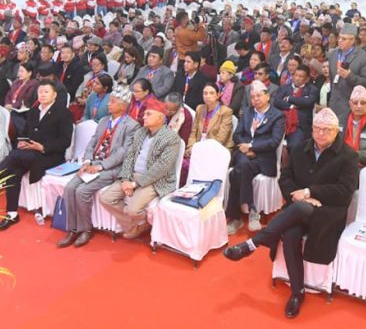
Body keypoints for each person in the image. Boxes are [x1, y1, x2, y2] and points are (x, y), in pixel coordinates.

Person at [223, 108, 360, 318]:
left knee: (301, 208)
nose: (321, 133)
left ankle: (253, 243)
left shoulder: (348, 156)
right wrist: (301, 196)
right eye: (317, 128)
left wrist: (310, 192)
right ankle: (298, 292)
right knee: (290, 234)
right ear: (312, 129)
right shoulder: (298, 149)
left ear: (336, 132)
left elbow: (345, 191)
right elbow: (285, 179)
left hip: (328, 212)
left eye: (327, 130)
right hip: (299, 208)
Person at [57, 85, 139, 248]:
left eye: (113, 101)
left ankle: (85, 229)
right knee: (69, 187)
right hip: (93, 164)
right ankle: (73, 228)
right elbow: (92, 142)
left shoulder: (132, 125)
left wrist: (100, 166)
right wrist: (87, 162)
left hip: (112, 168)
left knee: (82, 191)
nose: (108, 104)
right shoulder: (103, 121)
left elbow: (123, 152)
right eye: (109, 101)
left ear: (123, 106)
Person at [0, 80, 74, 231]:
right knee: (13, 172)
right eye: (40, 92)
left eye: (46, 92)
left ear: (54, 95)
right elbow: (25, 133)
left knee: (14, 156)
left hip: (51, 156)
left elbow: (65, 141)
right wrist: (22, 142)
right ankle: (11, 213)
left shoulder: (63, 113)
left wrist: (43, 147)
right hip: (30, 153)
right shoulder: (33, 111)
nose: (42, 95)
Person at [98, 96, 182, 239]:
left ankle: (140, 223)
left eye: (148, 114)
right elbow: (129, 157)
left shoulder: (171, 138)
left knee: (132, 210)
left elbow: (161, 167)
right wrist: (125, 179)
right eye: (144, 114)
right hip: (132, 175)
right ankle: (139, 224)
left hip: (154, 180)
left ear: (161, 118)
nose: (144, 117)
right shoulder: (140, 132)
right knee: (105, 198)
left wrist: (135, 184)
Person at [226, 81, 286, 234]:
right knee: (243, 163)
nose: (255, 99)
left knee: (236, 172)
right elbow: (237, 135)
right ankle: (252, 209)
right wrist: (244, 147)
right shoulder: (247, 112)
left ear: (267, 96)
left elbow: (274, 141)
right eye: (252, 97)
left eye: (259, 96)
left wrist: (252, 148)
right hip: (243, 154)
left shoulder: (277, 116)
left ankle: (236, 217)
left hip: (263, 158)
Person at [181, 81, 235, 182]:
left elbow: (221, 138)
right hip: (198, 146)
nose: (208, 96)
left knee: (197, 165)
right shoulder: (200, 108)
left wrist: (199, 150)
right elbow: (194, 132)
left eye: (211, 93)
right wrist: (191, 147)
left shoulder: (225, 111)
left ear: (218, 95)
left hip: (217, 149)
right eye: (205, 93)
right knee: (182, 163)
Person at [327, 26, 366, 125]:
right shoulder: (333, 54)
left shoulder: (363, 57)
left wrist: (350, 77)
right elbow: (332, 80)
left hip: (352, 104)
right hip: (334, 103)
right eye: (339, 37)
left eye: (344, 39)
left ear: (352, 40)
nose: (340, 41)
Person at [272, 66, 319, 150]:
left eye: (300, 76)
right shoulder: (284, 87)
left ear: (307, 79)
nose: (297, 78)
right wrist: (291, 106)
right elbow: (276, 102)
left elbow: (308, 102)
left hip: (299, 126)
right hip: (281, 123)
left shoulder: (312, 89)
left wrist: (290, 98)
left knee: (295, 146)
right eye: (296, 75)